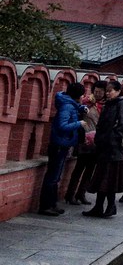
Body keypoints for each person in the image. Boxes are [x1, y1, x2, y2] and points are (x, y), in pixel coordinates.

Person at [38, 81, 88, 216]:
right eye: (82, 95)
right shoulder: (67, 106)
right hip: (59, 144)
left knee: (56, 176)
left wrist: (82, 108)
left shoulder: (69, 104)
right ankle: (45, 206)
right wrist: (79, 123)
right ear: (77, 96)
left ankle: (52, 204)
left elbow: (73, 109)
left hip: (63, 144)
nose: (83, 97)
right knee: (53, 176)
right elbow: (62, 125)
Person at [83, 79, 123, 219]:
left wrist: (111, 139)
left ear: (118, 91)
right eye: (107, 91)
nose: (108, 93)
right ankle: (99, 207)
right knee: (102, 178)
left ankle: (110, 206)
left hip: (113, 149)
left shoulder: (121, 104)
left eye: (111, 91)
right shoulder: (109, 104)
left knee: (109, 179)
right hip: (104, 148)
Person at [65, 81, 106, 205]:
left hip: (97, 142)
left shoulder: (106, 106)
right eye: (96, 91)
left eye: (101, 92)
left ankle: (81, 194)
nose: (98, 94)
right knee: (79, 168)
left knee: (90, 170)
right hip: (84, 140)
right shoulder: (86, 102)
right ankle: (70, 194)